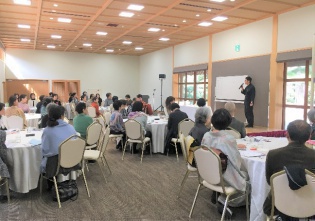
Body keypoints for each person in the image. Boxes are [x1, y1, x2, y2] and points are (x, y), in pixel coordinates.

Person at [263, 120, 315, 220]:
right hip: (310, 206)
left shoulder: (273, 155)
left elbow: (270, 181)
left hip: (278, 205)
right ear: (309, 136)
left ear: (287, 134)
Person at [201, 108, 248, 217]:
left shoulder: (206, 135)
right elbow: (236, 163)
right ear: (228, 122)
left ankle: (220, 196)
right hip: (223, 177)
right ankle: (226, 200)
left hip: (208, 174)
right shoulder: (228, 139)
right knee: (249, 180)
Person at [40, 105, 77, 177]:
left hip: (55, 166)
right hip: (73, 160)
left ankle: (50, 185)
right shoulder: (71, 127)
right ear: (62, 116)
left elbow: (45, 151)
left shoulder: (47, 130)